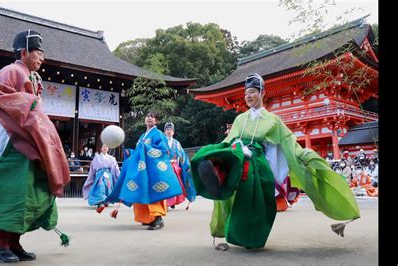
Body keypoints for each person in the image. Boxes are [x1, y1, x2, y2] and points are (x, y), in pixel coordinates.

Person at [191, 73, 360, 249]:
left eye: (252, 92)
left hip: (258, 161)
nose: (248, 96)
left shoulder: (273, 120)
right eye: (246, 93)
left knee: (254, 198)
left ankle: (250, 235)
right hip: (238, 155)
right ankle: (214, 174)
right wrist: (232, 148)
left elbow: (287, 142)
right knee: (218, 160)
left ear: (262, 92)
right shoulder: (240, 119)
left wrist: (304, 157)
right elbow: (229, 141)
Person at [0, 30, 71, 262]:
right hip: (14, 137)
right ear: (24, 52)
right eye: (38, 52)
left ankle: (12, 241)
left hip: (26, 137)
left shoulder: (31, 76)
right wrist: (32, 105)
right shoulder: (12, 71)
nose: (42, 57)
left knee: (34, 189)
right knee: (17, 190)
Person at [103, 112, 183, 230]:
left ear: (156, 121)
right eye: (147, 116)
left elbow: (163, 150)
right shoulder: (142, 136)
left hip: (154, 171)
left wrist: (145, 148)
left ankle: (157, 218)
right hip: (143, 170)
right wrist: (131, 154)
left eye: (152, 117)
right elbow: (138, 153)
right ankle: (147, 218)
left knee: (154, 192)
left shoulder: (159, 134)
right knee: (141, 191)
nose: (149, 118)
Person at [163, 122, 196, 209]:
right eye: (167, 130)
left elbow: (182, 156)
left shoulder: (177, 143)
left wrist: (187, 166)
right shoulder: (161, 142)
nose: (169, 132)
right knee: (166, 184)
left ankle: (172, 201)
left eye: (170, 130)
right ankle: (167, 202)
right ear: (164, 132)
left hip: (175, 167)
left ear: (173, 132)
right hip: (165, 167)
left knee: (175, 184)